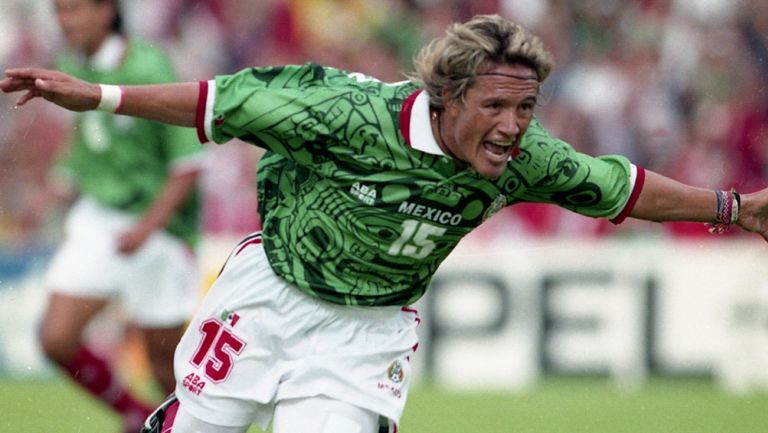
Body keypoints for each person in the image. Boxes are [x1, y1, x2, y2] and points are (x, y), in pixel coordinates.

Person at [3, 13, 768, 433]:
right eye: (495, 107)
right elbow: (217, 103)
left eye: (525, 108)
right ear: (446, 98)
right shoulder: (340, 108)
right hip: (269, 295)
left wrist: (733, 208)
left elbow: (621, 187)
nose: (512, 127)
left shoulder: (525, 158)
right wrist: (98, 96)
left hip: (366, 334)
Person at [18, 1, 206, 432]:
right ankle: (135, 417)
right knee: (56, 338)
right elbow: (88, 145)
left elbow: (189, 163)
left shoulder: (148, 67)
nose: (65, 21)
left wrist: (147, 228)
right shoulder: (71, 64)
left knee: (166, 368)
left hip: (159, 229)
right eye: (59, 11)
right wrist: (55, 187)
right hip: (101, 219)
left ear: (107, 11)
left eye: (74, 10)